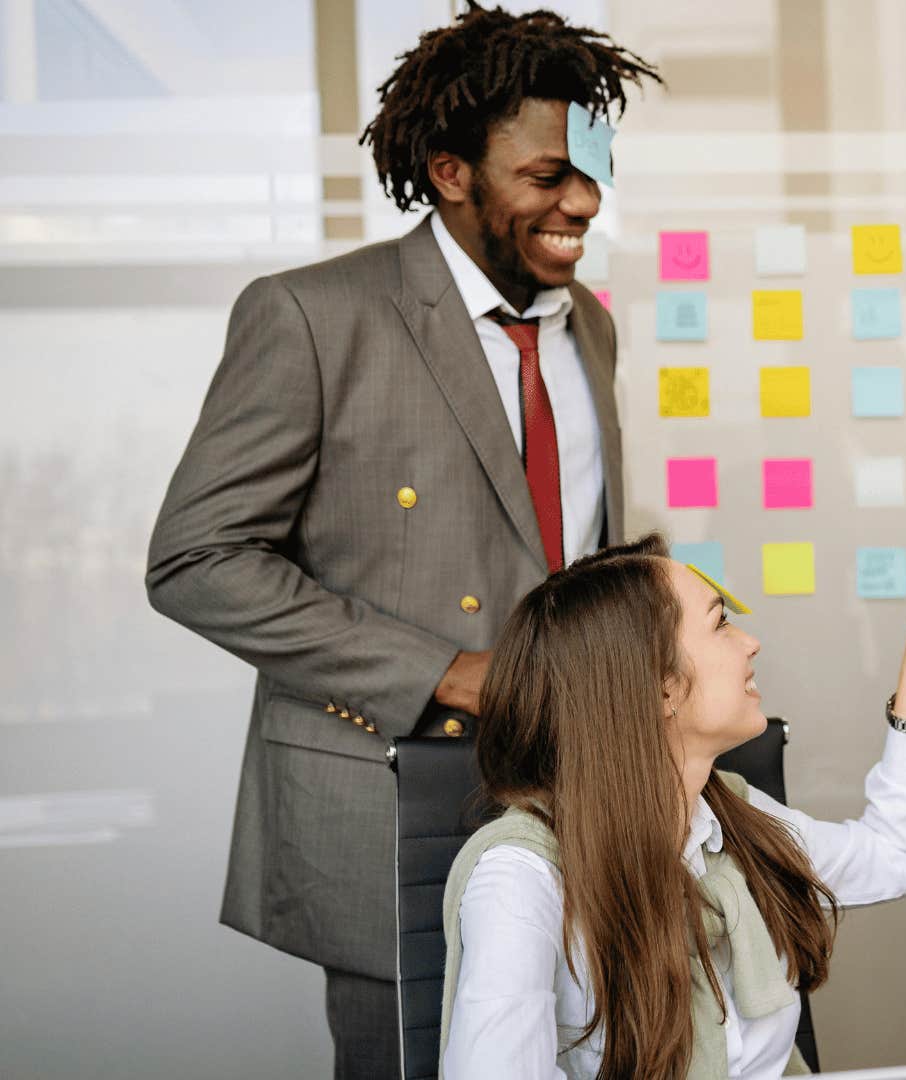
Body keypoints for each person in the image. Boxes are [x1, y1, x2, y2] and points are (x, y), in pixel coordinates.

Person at [143, 7, 657, 1075]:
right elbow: (197, 559)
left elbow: (567, 549)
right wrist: (451, 674)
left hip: (579, 794)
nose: (582, 203)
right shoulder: (312, 315)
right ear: (451, 172)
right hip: (392, 796)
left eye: (592, 173)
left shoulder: (589, 323)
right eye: (547, 175)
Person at [439, 535, 906, 1078]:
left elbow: (896, 856)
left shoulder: (733, 820)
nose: (751, 642)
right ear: (660, 688)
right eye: (720, 624)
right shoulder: (522, 879)